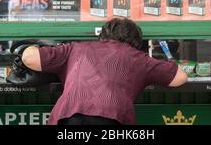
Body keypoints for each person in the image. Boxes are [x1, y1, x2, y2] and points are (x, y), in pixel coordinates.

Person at [21, 18, 188, 125]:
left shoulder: (76, 48)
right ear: (136, 42)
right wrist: (169, 60)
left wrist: (36, 44)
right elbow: (180, 77)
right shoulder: (138, 58)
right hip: (112, 118)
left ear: (102, 35)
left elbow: (29, 58)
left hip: (69, 117)